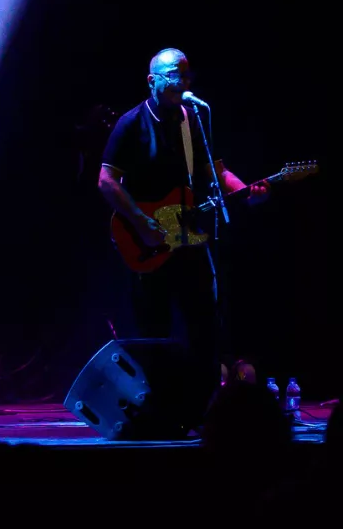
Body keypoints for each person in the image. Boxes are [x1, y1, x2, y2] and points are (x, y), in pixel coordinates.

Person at [98, 47, 267, 423]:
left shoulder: (195, 119)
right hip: (148, 241)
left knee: (205, 324)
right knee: (154, 329)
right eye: (175, 74)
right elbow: (106, 181)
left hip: (189, 237)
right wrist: (141, 222)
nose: (184, 82)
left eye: (187, 75)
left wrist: (247, 191)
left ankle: (204, 412)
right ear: (152, 80)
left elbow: (214, 170)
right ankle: (158, 411)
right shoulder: (132, 123)